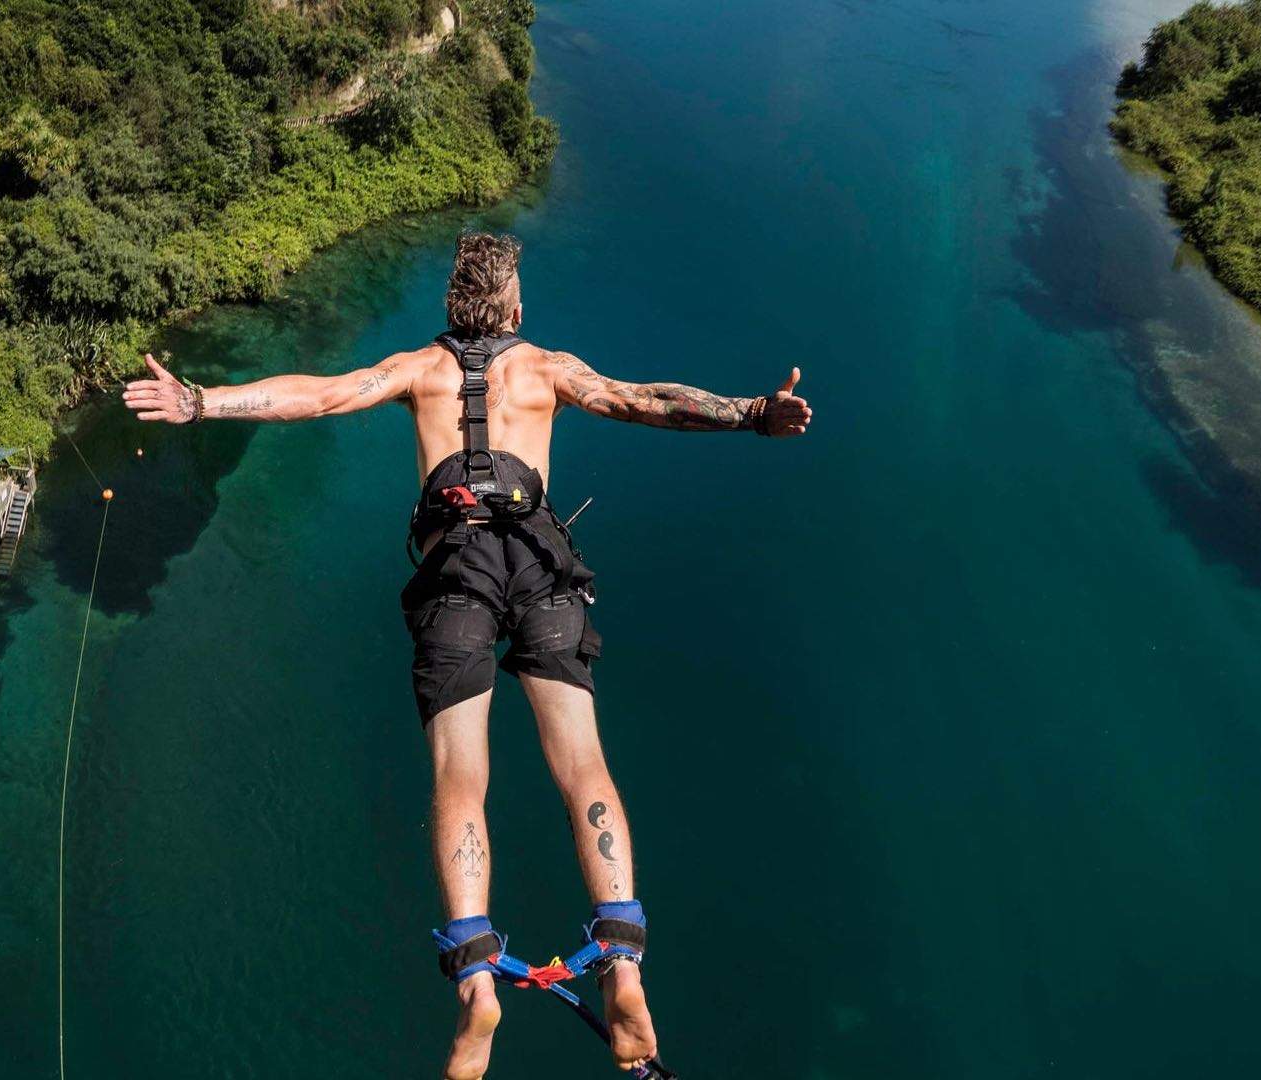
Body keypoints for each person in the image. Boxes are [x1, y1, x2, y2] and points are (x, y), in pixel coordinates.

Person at [122, 231, 811, 1077]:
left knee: (460, 773)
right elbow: (644, 399)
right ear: (517, 310)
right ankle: (622, 961)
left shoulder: (418, 371)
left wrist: (201, 402)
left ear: (450, 310)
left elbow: (319, 396)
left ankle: (477, 978)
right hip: (543, 565)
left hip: (458, 575)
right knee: (583, 764)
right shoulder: (550, 369)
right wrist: (750, 414)